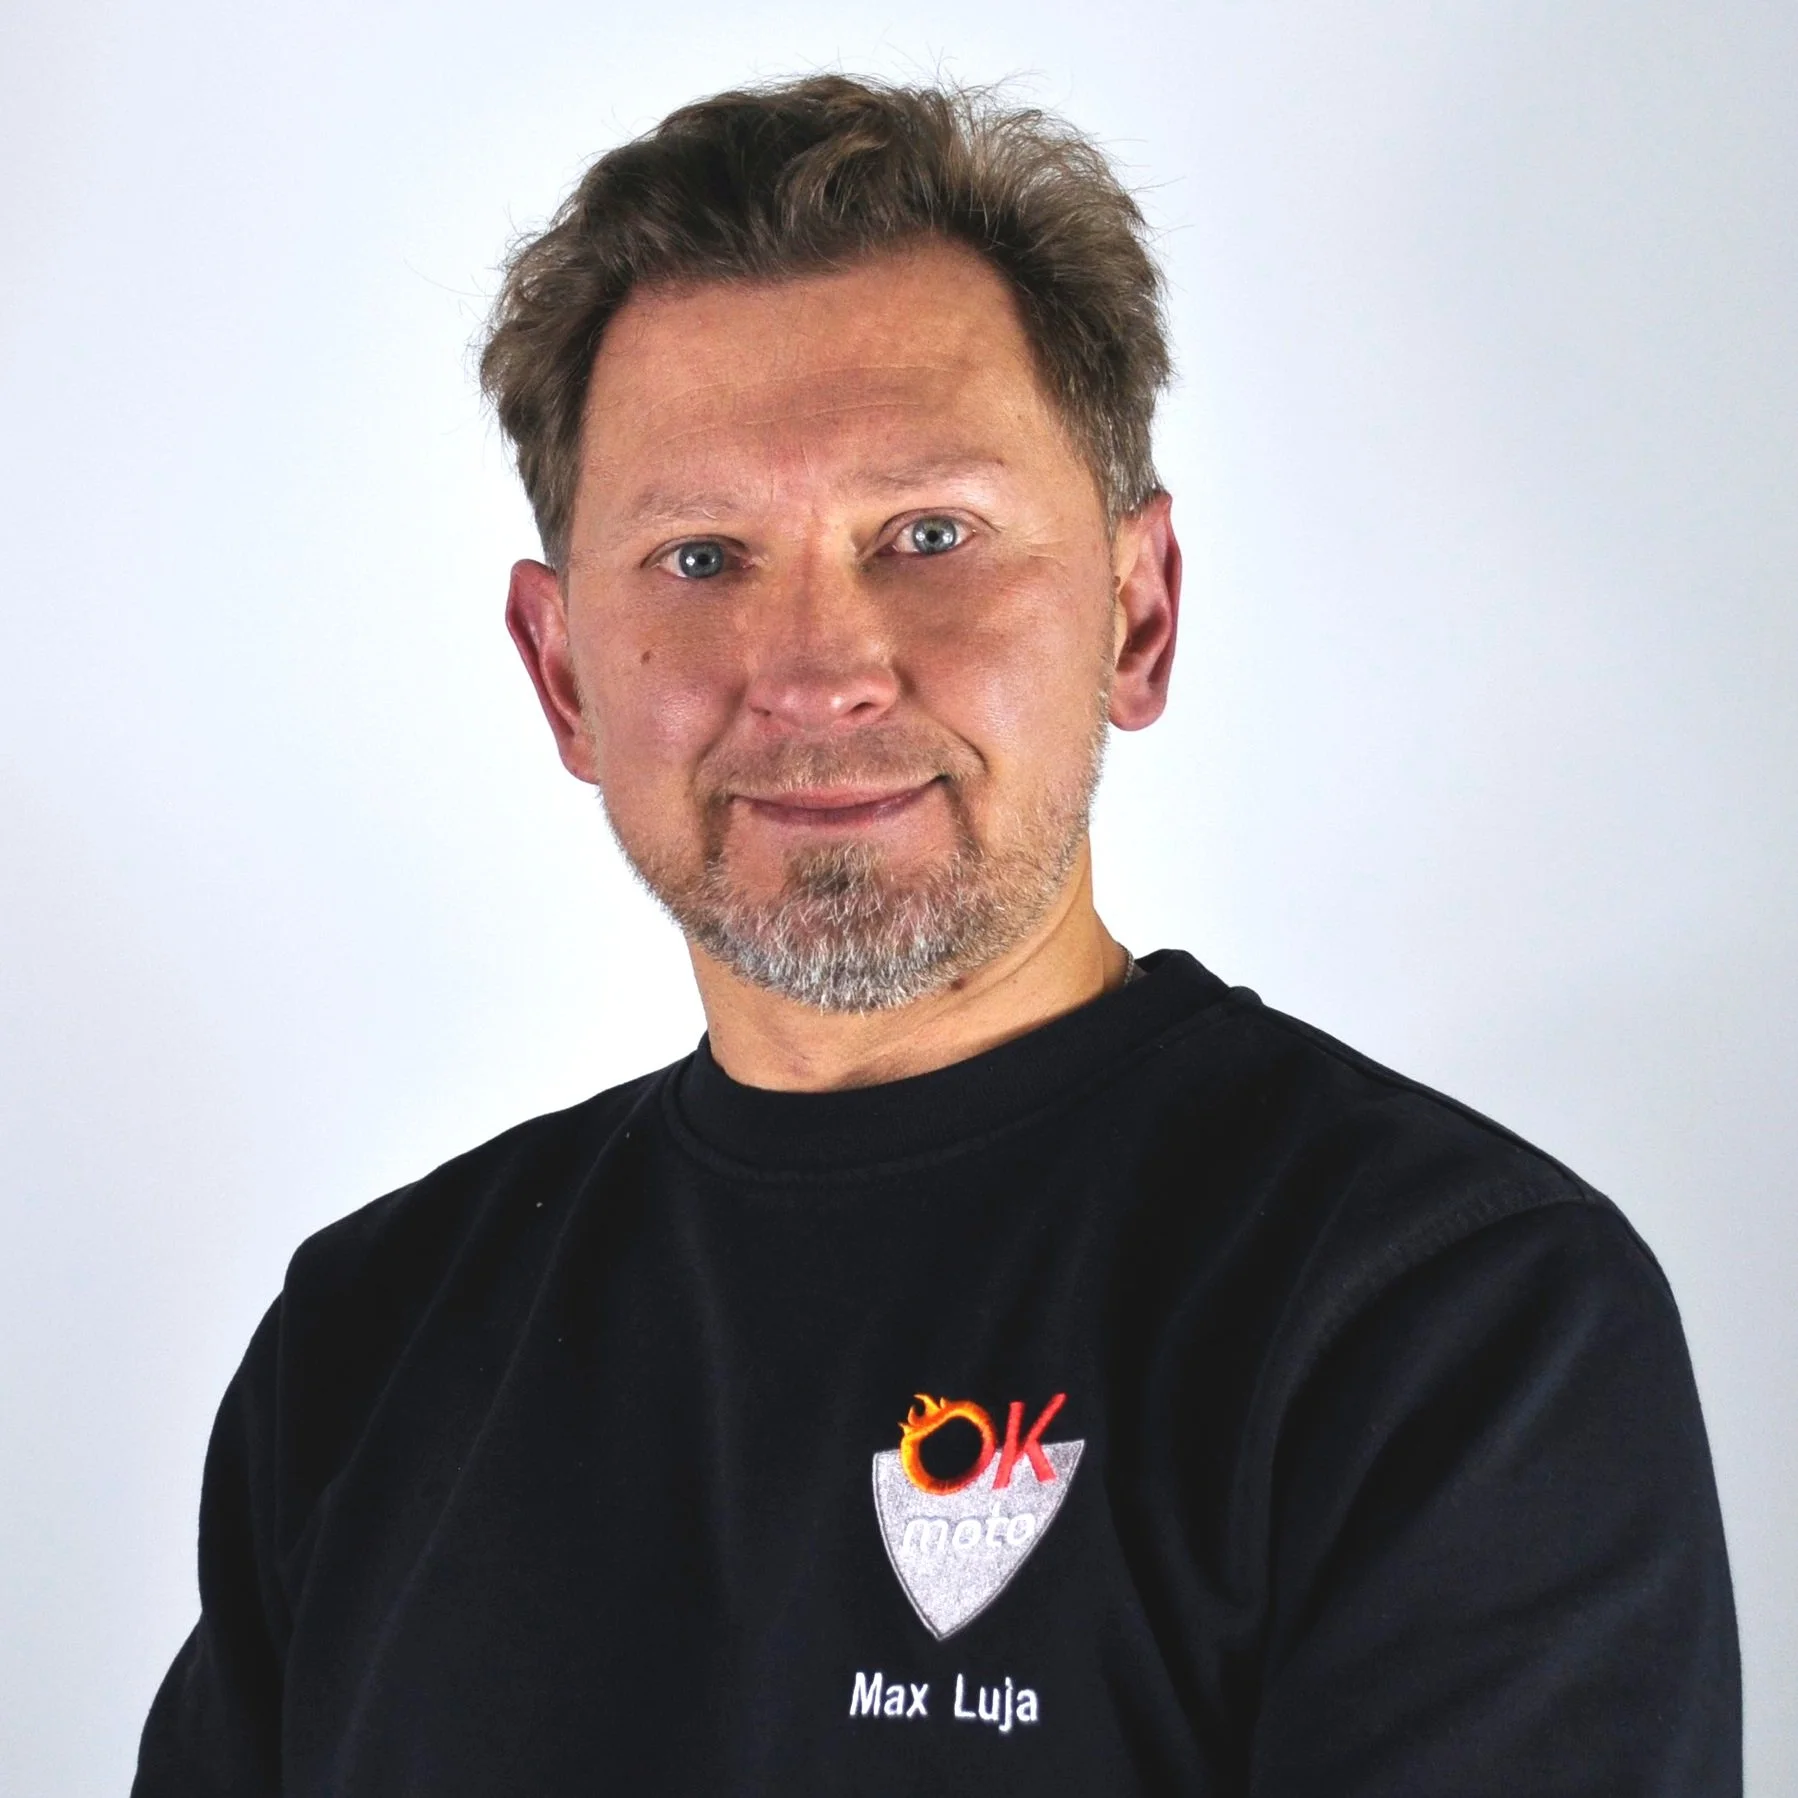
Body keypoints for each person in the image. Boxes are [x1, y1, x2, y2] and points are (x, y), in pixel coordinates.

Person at [133, 75, 1739, 1796]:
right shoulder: (368, 1343)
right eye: (700, 557)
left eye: (927, 535)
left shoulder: (1439, 1319)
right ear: (561, 672)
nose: (817, 671)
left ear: (1136, 613)